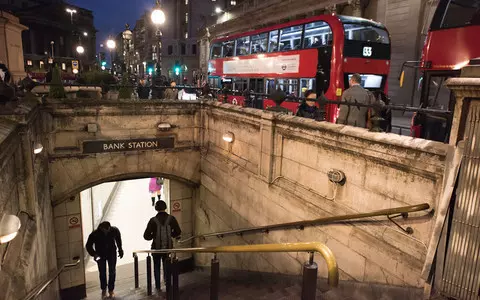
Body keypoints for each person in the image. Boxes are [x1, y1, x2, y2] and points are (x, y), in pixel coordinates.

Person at [143, 201, 182, 294]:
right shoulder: (171, 219)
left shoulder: (153, 220)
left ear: (156, 208)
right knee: (167, 265)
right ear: (165, 207)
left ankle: (157, 286)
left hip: (156, 249)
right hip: (168, 248)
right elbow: (178, 231)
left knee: (156, 267)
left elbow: (146, 236)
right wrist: (170, 234)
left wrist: (154, 235)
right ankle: (167, 282)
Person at [86, 222, 123, 299]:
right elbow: (88, 245)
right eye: (106, 230)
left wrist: (120, 249)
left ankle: (111, 289)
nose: (107, 231)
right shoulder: (95, 234)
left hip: (111, 253)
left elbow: (118, 239)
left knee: (112, 271)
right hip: (100, 255)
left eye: (108, 229)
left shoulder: (114, 230)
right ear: (101, 228)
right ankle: (103, 289)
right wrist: (94, 254)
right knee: (102, 272)